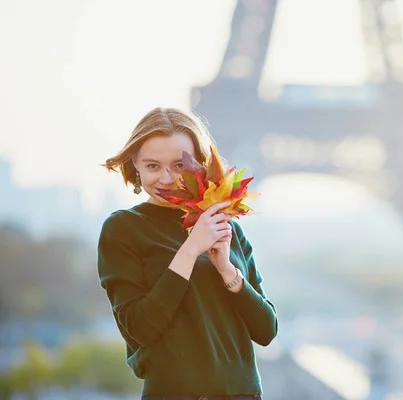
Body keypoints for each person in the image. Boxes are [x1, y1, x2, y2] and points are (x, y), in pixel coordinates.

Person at [97, 107, 278, 400]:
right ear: (136, 166)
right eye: (153, 166)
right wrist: (191, 249)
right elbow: (139, 329)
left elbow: (266, 331)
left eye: (179, 165)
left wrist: (227, 271)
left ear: (199, 164)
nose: (166, 179)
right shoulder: (123, 228)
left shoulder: (225, 226)